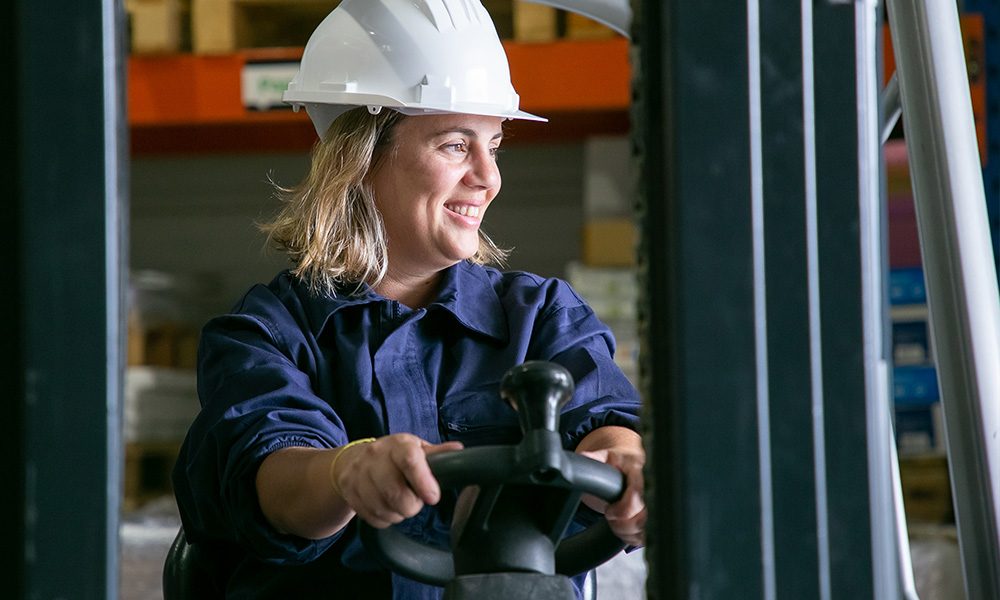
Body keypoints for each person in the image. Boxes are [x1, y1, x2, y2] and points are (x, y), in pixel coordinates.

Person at [171, 1, 645, 598]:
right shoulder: (267, 333)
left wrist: (623, 462)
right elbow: (274, 476)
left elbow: (605, 424)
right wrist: (346, 471)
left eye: (493, 146)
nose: (488, 177)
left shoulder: (543, 318)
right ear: (361, 162)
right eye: (454, 145)